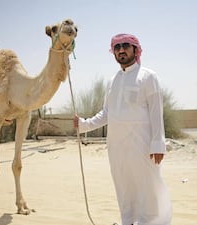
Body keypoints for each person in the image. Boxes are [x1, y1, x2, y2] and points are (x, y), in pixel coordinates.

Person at [74, 33, 172, 225]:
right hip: (117, 147)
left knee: (148, 187)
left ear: (135, 49)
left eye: (125, 46)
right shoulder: (112, 81)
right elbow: (106, 114)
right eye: (117, 47)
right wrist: (84, 124)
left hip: (142, 146)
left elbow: (156, 113)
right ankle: (128, 221)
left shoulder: (148, 77)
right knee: (123, 187)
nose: (121, 50)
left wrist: (158, 144)